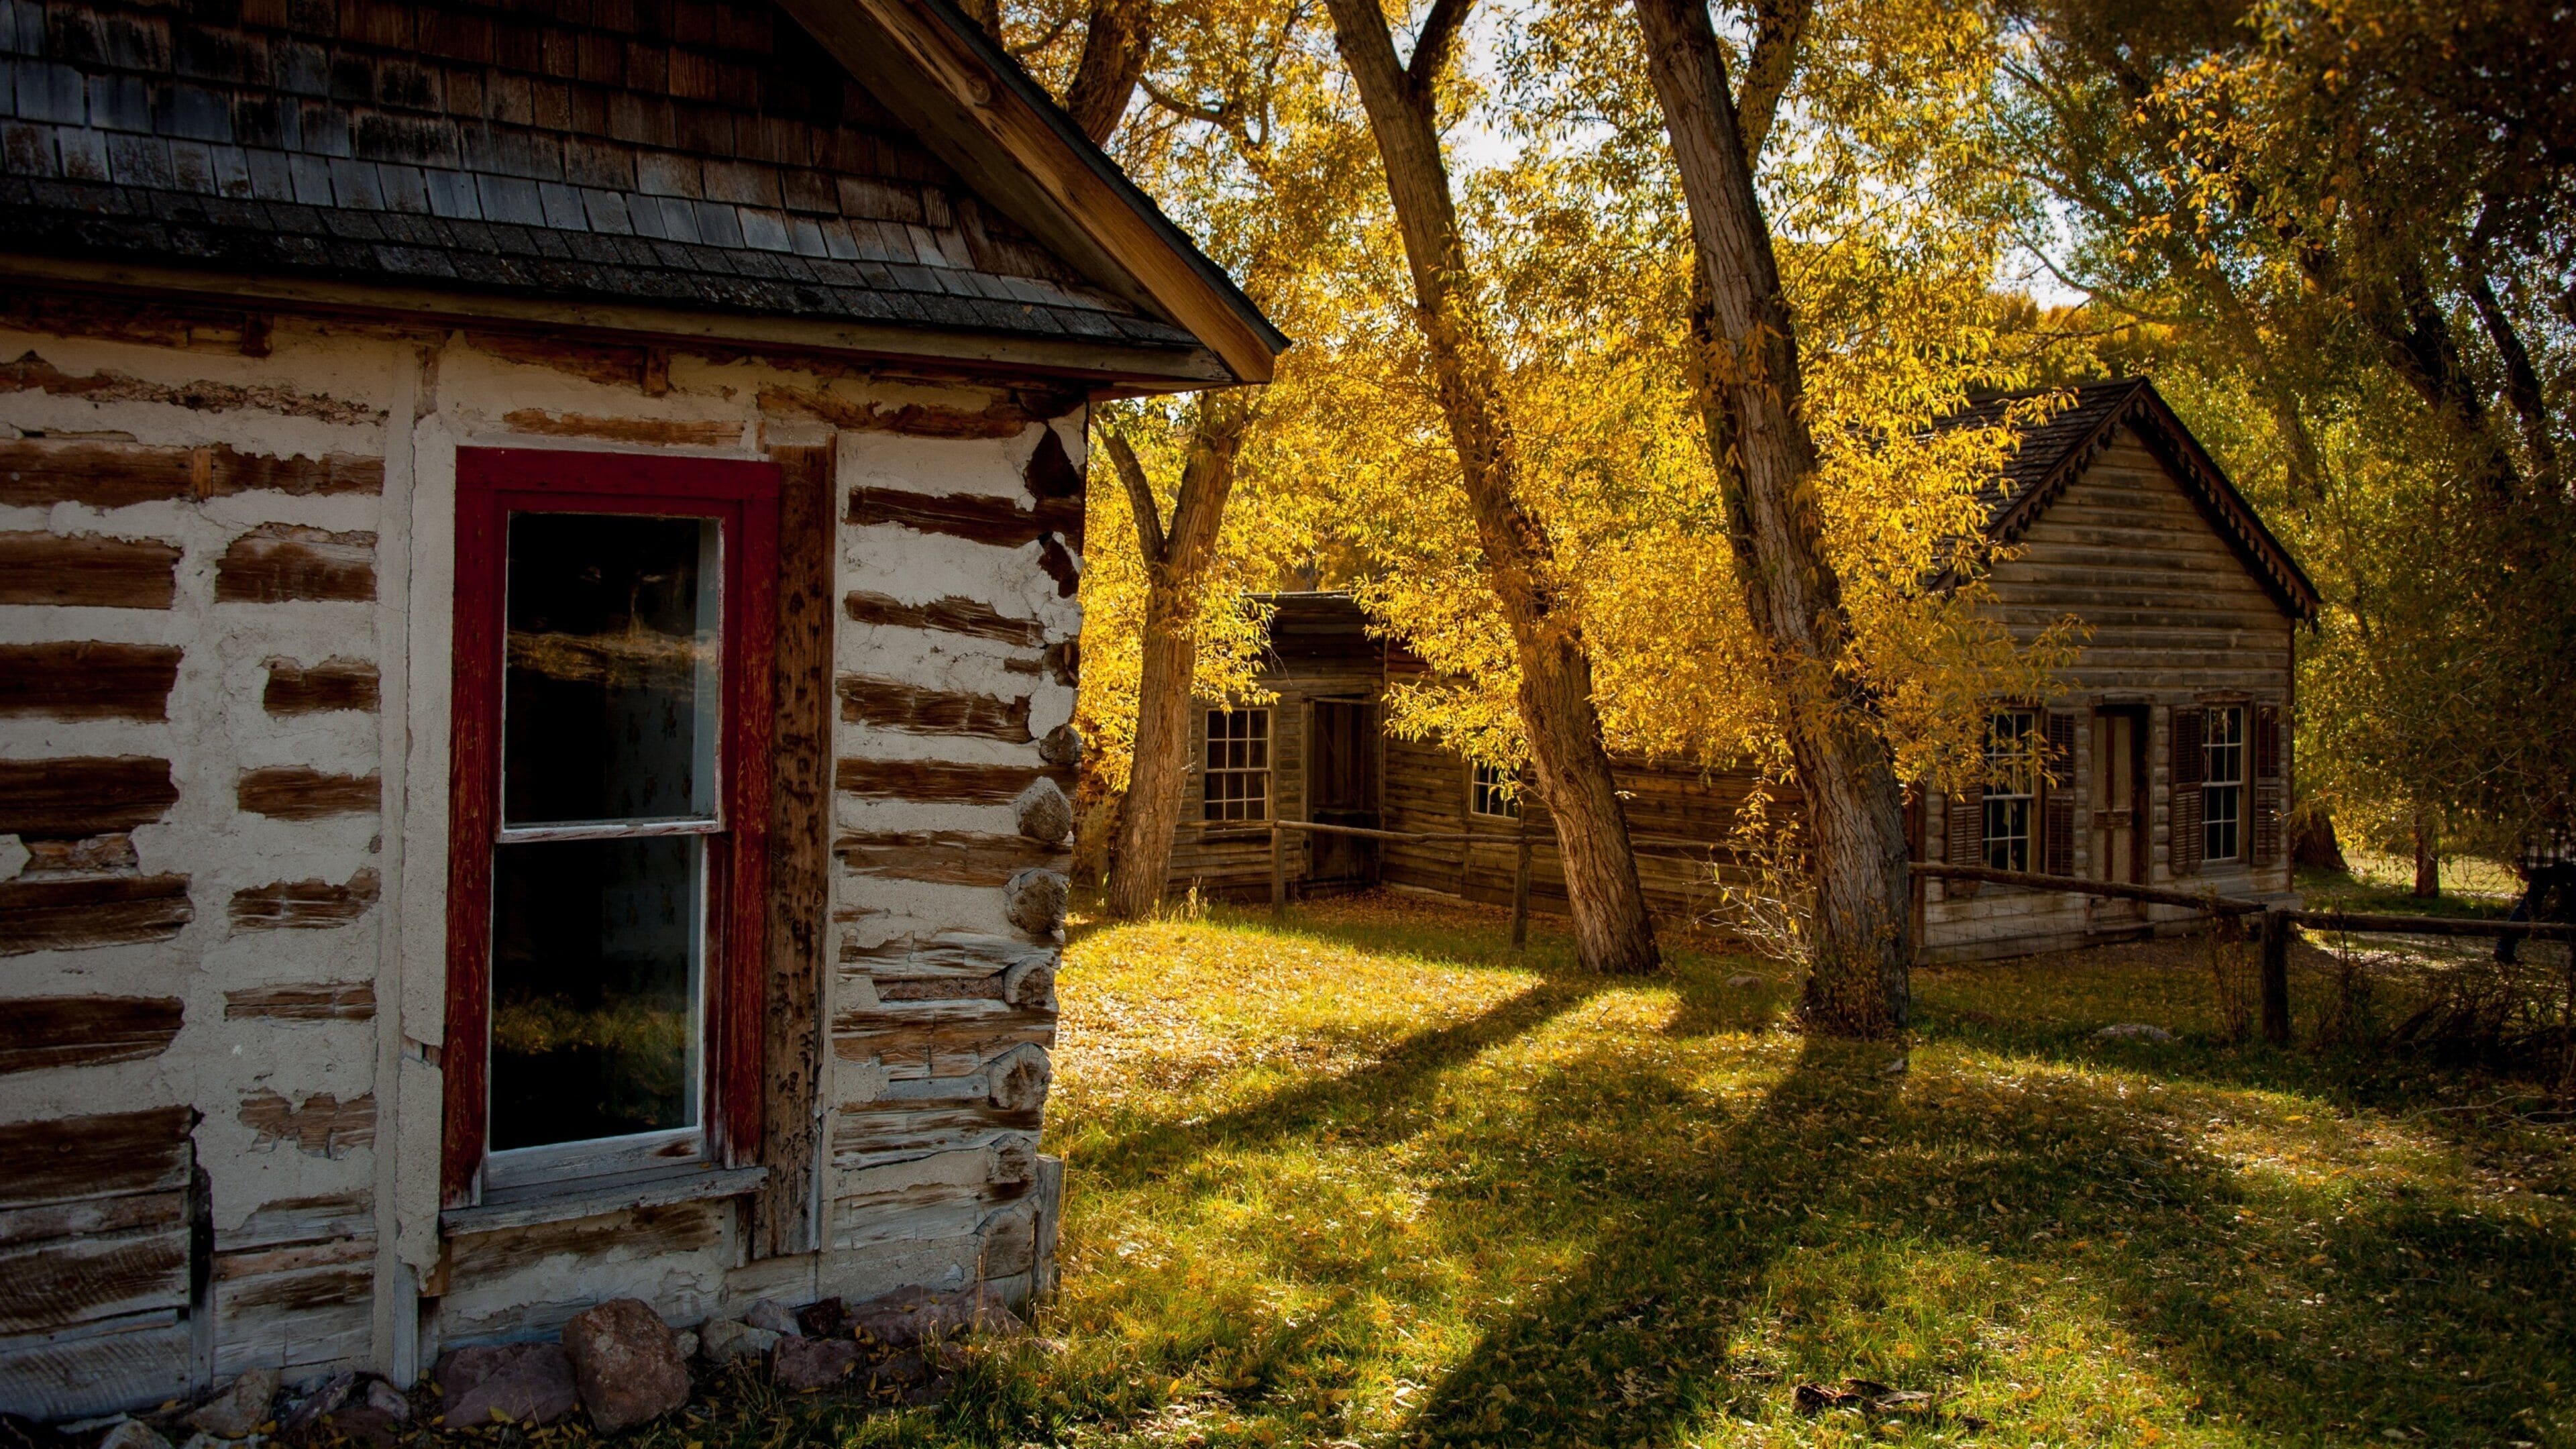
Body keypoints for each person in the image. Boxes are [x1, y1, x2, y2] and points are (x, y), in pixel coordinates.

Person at [2498, 829, 2575, 966]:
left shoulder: (2536, 812)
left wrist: (2521, 863)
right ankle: (2504, 947)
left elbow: (2521, 837)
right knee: (2570, 904)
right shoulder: (2565, 811)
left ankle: (2504, 947)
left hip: (2539, 863)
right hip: (2563, 863)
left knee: (2530, 903)